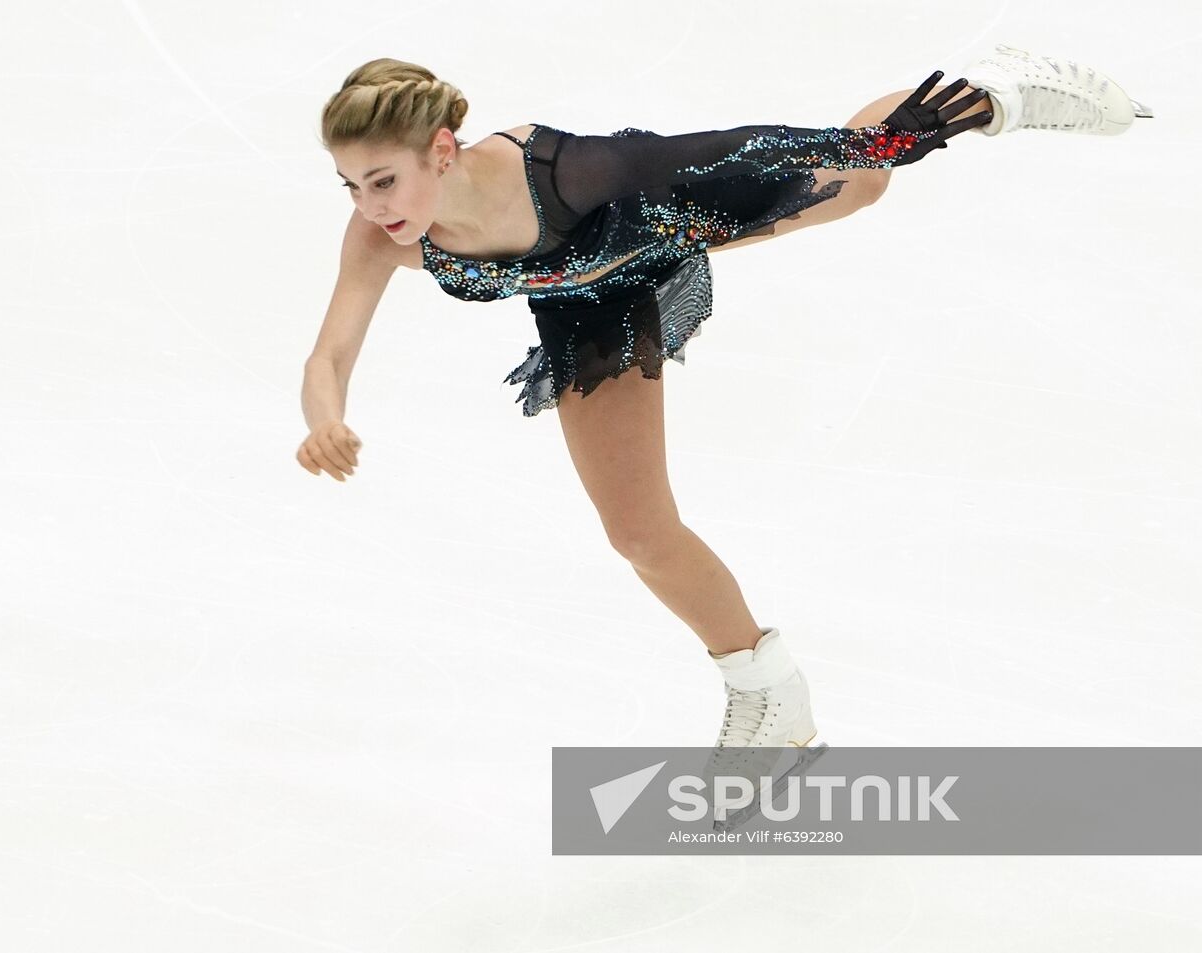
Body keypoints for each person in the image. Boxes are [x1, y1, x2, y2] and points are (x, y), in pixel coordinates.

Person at [298, 47, 1150, 758]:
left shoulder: (575, 172)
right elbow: (329, 350)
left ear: (442, 151)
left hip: (656, 213)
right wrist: (324, 418)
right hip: (587, 304)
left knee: (859, 175)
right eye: (351, 188)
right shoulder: (381, 237)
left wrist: (870, 148)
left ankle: (993, 91)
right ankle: (770, 695)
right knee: (638, 531)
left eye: (382, 181)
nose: (371, 208)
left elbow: (734, 146)